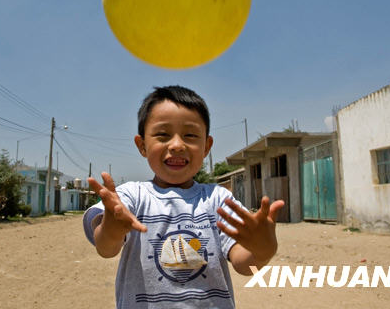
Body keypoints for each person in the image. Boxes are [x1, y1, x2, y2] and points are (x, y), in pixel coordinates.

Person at [83, 85, 284, 308]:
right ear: (142, 145)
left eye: (190, 135)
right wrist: (111, 227)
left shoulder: (218, 199)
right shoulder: (131, 196)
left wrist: (264, 250)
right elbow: (106, 249)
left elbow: (243, 264)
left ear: (206, 146)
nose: (177, 145)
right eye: (162, 135)